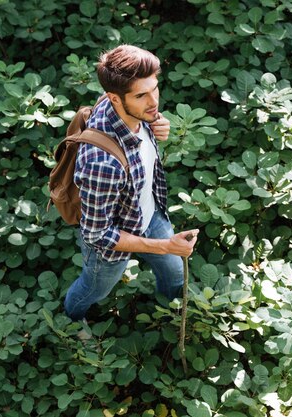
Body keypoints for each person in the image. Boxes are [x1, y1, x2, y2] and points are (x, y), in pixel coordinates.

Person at [64, 44, 199, 321]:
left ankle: (174, 318)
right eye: (141, 95)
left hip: (147, 212)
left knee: (174, 273)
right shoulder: (102, 163)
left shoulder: (135, 109)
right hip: (111, 244)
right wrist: (164, 245)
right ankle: (71, 321)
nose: (154, 102)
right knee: (93, 291)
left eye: (155, 89)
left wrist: (157, 123)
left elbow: (146, 114)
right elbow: (97, 234)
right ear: (113, 98)